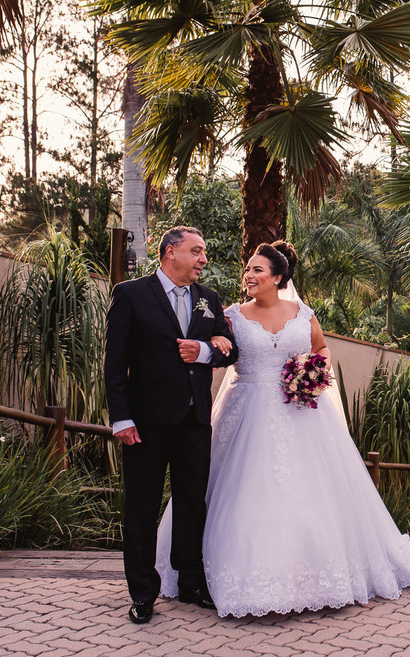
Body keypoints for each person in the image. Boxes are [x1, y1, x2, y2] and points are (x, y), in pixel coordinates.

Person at [155, 240, 410, 617]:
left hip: (300, 412)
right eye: (247, 269)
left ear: (277, 277)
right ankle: (214, 576)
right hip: (245, 410)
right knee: (240, 488)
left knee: (309, 492)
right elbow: (221, 352)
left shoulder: (303, 313)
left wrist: (311, 374)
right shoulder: (230, 314)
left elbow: (322, 350)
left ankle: (316, 578)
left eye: (257, 270)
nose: (248, 275)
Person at [105, 226, 240, 624]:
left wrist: (203, 352)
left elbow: (228, 351)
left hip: (194, 421)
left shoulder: (209, 300)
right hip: (144, 424)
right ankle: (143, 593)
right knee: (142, 509)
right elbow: (114, 364)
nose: (203, 260)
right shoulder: (130, 294)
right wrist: (122, 418)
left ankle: (190, 583)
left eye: (204, 253)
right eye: (197, 251)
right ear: (169, 253)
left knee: (191, 505)